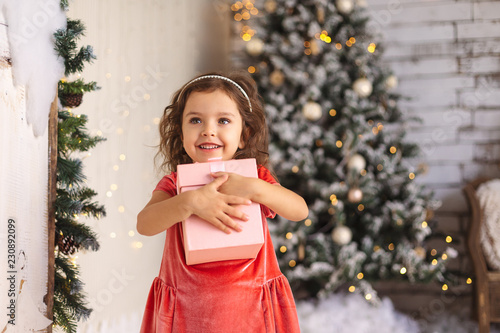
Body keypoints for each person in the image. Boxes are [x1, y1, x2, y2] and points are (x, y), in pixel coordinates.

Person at [137, 71, 309, 332]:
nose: (208, 130)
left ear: (243, 135)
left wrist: (255, 188)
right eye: (195, 120)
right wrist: (190, 202)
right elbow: (145, 224)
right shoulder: (175, 184)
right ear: (181, 133)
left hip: (252, 310)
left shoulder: (255, 179)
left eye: (223, 120)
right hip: (187, 312)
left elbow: (299, 210)